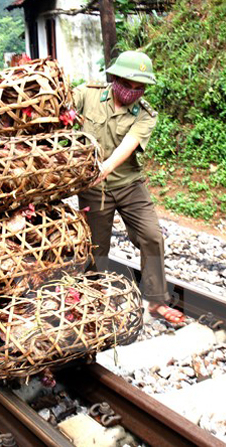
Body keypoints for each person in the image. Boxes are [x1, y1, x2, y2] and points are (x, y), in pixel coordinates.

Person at [74, 50, 185, 324]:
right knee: (95, 247)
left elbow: (128, 145)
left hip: (128, 184)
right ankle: (91, 300)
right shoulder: (87, 95)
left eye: (139, 88)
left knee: (152, 236)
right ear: (114, 78)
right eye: (126, 84)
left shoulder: (146, 115)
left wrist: (104, 168)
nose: (131, 92)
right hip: (94, 189)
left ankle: (157, 301)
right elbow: (58, 108)